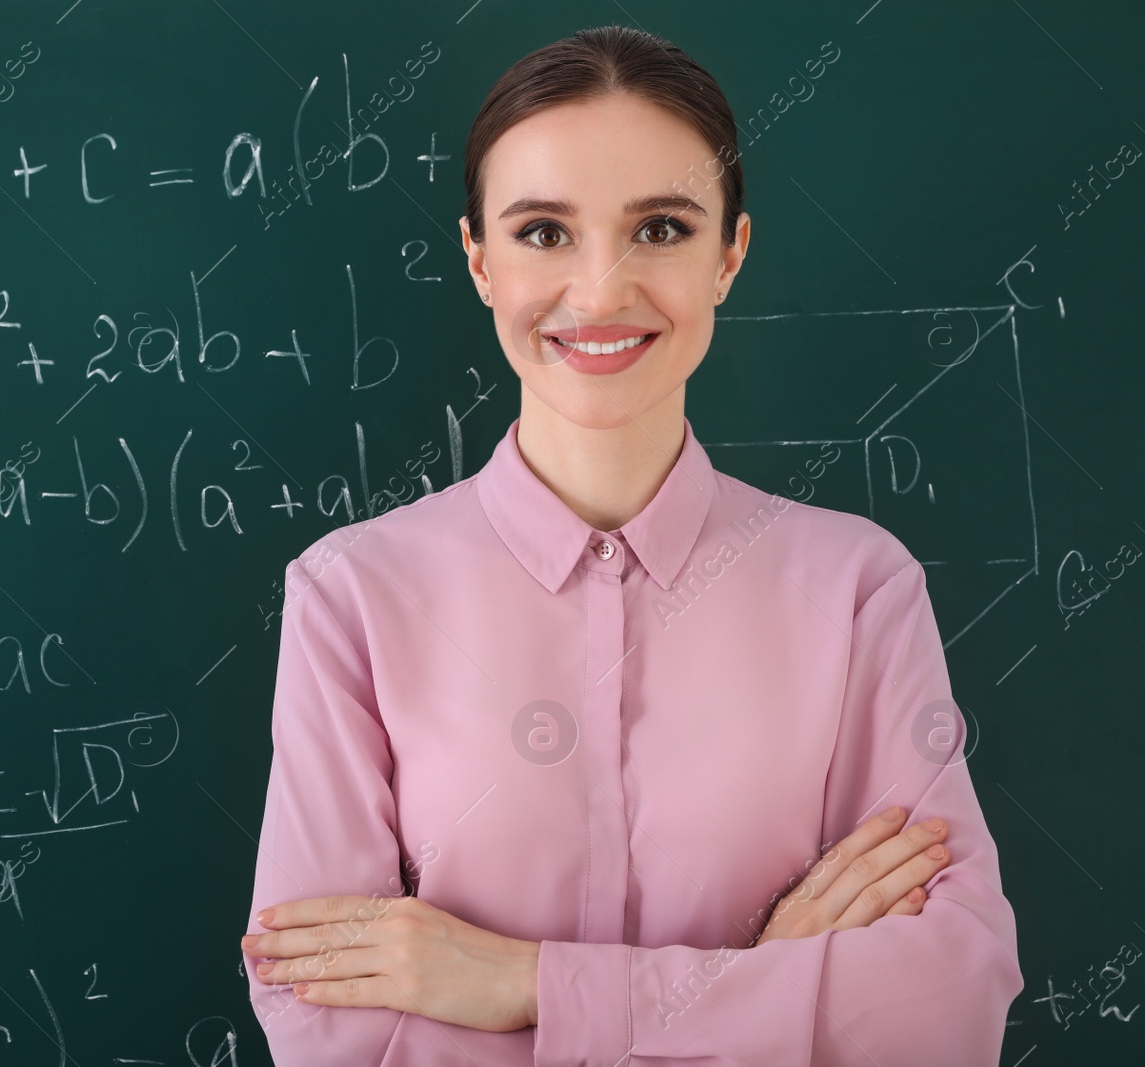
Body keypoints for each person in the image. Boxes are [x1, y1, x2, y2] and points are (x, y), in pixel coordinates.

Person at [240, 24, 1021, 1066]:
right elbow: (326, 1025)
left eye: (658, 227)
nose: (600, 292)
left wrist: (519, 983)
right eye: (542, 232)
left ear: (728, 253)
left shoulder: (854, 587)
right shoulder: (352, 596)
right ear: (477, 258)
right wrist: (765, 979)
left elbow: (947, 1001)